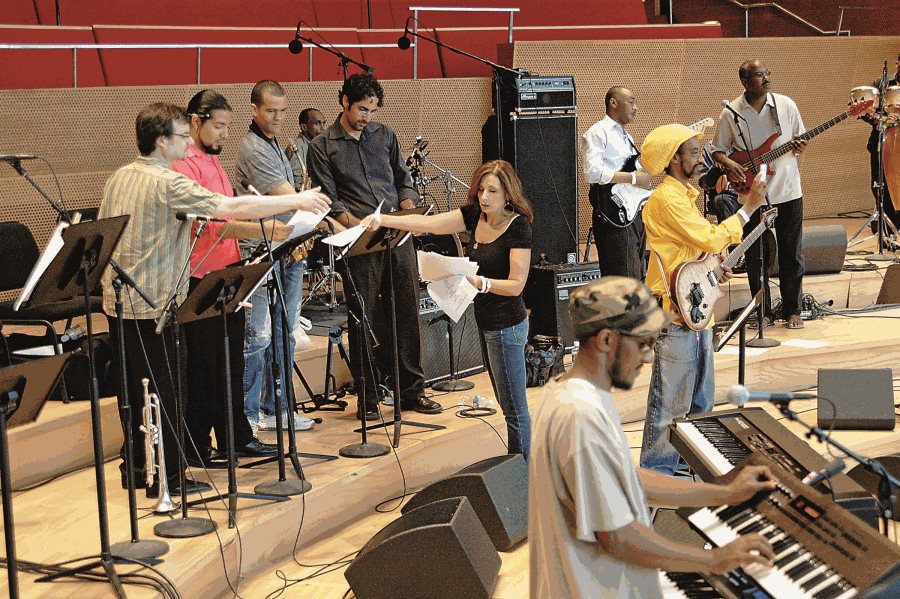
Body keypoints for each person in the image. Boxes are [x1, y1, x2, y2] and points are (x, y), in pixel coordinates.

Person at [98, 102, 329, 492]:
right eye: (182, 136)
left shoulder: (120, 176)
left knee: (136, 391)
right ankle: (167, 479)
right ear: (160, 141)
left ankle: (139, 469)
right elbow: (227, 208)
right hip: (152, 300)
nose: (188, 142)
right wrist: (296, 201)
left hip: (119, 300)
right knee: (164, 391)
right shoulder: (168, 181)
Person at [529, 275, 776, 599]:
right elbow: (617, 538)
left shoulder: (567, 390)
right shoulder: (581, 416)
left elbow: (627, 479)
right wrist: (713, 559)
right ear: (606, 341)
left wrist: (723, 493)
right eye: (643, 343)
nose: (649, 357)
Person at [363, 160, 533, 456]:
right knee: (507, 404)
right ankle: (518, 467)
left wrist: (479, 283)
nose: (484, 197)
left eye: (492, 191)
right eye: (481, 190)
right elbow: (428, 224)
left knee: (515, 411)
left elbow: (516, 285)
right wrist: (384, 221)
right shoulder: (474, 216)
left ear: (508, 193)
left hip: (507, 326)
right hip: (486, 322)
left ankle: (524, 473)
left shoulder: (518, 226)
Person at [307, 72, 441, 419]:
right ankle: (367, 398)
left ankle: (412, 391)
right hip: (360, 241)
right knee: (362, 318)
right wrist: (360, 224)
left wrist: (409, 211)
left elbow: (404, 181)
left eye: (372, 110)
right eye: (362, 109)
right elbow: (330, 200)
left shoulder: (384, 135)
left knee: (408, 311)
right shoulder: (322, 146)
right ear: (344, 102)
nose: (367, 116)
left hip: (397, 233)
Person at [637, 123, 767, 475]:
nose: (702, 157)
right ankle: (658, 484)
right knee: (669, 412)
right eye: (694, 152)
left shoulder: (685, 197)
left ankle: (688, 479)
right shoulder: (666, 199)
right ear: (674, 159)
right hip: (674, 319)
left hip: (695, 312)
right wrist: (748, 208)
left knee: (699, 406)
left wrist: (712, 270)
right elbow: (710, 238)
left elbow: (696, 252)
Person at [171, 89, 284, 466]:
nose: (224, 134)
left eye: (227, 127)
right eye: (218, 126)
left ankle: (235, 437)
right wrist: (265, 228)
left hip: (226, 272)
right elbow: (212, 224)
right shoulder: (184, 164)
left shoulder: (212, 160)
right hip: (198, 275)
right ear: (195, 122)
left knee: (230, 362)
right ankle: (198, 446)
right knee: (205, 366)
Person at [235, 80, 315, 433]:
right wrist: (313, 204)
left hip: (289, 248)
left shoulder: (275, 146)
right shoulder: (252, 148)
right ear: (254, 109)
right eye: (271, 111)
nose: (279, 117)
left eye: (283, 111)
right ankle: (249, 415)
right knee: (259, 337)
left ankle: (276, 408)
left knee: (285, 330)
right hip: (263, 252)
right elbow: (284, 196)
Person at [713, 60, 808, 330]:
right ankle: (763, 310)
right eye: (759, 75)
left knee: (792, 253)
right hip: (752, 196)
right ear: (745, 82)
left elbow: (801, 141)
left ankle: (793, 310)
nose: (766, 78)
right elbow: (718, 150)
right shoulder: (731, 112)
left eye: (768, 72)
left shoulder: (785, 105)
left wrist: (801, 146)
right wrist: (729, 164)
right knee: (757, 257)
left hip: (788, 190)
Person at [581, 86, 654, 280]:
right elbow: (592, 172)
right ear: (613, 103)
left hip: (633, 215)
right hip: (613, 214)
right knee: (623, 281)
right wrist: (633, 178)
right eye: (631, 101)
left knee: (637, 277)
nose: (635, 107)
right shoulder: (598, 132)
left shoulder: (626, 136)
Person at [864, 53, 900, 231]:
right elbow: (866, 112)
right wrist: (877, 118)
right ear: (897, 62)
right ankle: (887, 230)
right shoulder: (881, 85)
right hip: (882, 141)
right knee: (880, 184)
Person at [286, 107, 326, 192]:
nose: (323, 129)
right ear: (304, 127)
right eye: (318, 123)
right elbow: (298, 184)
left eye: (323, 123)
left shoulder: (316, 146)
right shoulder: (297, 147)